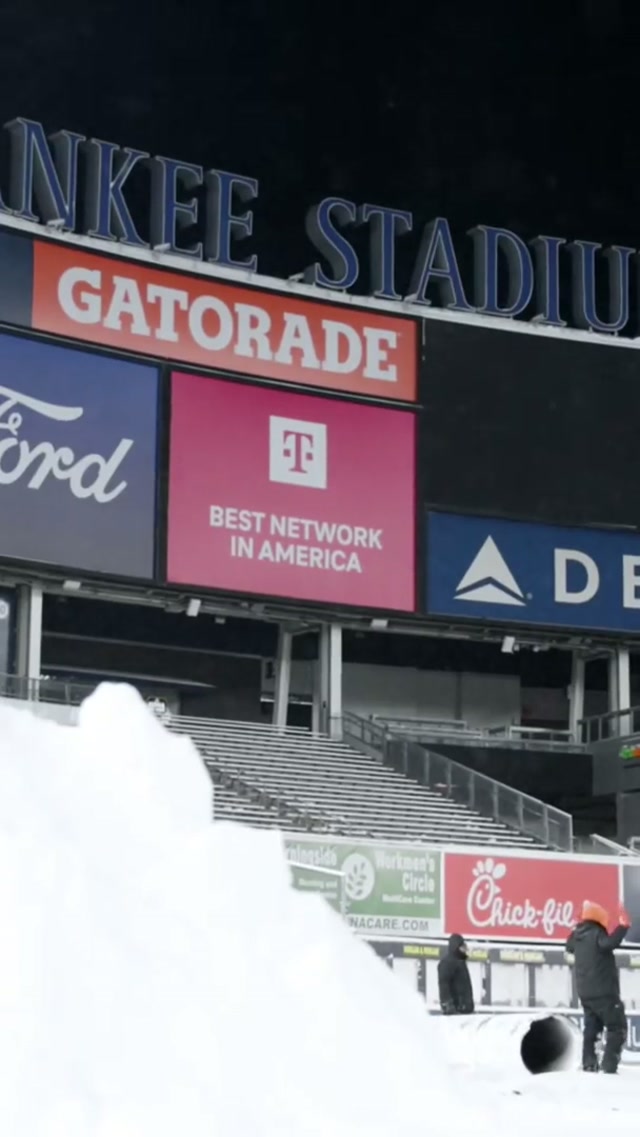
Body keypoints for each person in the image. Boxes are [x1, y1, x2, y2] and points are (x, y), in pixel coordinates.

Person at [565, 900, 630, 1074]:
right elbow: (609, 943)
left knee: (592, 1028)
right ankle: (609, 1066)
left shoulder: (577, 936)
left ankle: (589, 1063)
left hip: (585, 993)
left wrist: (575, 926)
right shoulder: (596, 933)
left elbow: (568, 946)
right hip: (605, 992)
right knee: (617, 1027)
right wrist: (623, 927)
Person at [438, 933, 474, 1015]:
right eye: (463, 946)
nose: (465, 949)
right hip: (455, 1011)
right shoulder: (447, 963)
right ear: (456, 947)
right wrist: (447, 1004)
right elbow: (444, 984)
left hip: (464, 1010)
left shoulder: (461, 962)